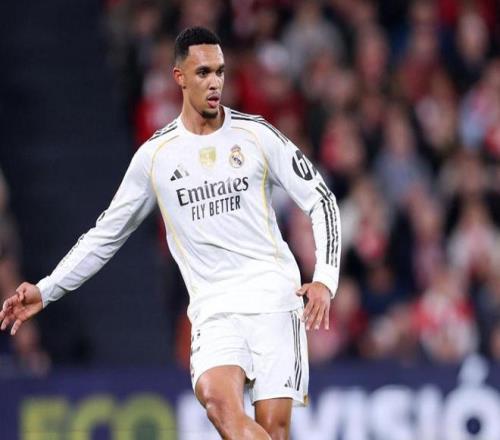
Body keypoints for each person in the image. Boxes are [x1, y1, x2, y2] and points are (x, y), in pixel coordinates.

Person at [0, 27, 341, 439]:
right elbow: (105, 235)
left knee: (274, 430)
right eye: (203, 73)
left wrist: (325, 278)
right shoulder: (156, 157)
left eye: (220, 72)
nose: (214, 82)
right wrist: (47, 289)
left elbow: (321, 198)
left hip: (273, 300)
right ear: (179, 77)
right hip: (214, 311)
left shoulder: (257, 135)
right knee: (218, 402)